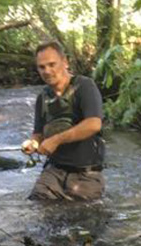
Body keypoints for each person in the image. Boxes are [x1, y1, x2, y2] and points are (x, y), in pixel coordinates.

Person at [21, 41, 105, 201]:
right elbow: (38, 134)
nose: (47, 71)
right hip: (53, 172)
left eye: (52, 64)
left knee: (81, 215)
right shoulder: (42, 98)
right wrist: (33, 144)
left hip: (86, 175)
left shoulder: (84, 86)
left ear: (65, 62)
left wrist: (56, 140)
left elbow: (94, 124)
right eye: (41, 67)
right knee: (36, 207)